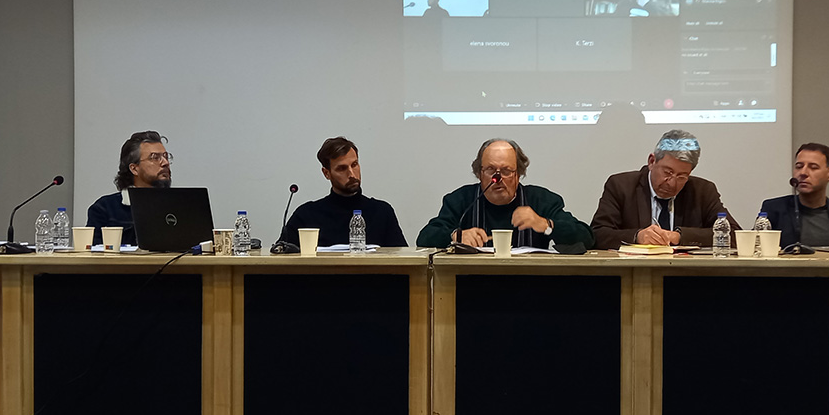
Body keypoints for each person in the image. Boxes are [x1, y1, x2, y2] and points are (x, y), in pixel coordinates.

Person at [416, 139, 593, 250]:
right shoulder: (461, 200)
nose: (497, 178)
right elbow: (424, 238)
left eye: (506, 171)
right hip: (473, 286)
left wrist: (545, 224)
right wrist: (455, 235)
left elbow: (586, 238)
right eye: (490, 170)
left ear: (519, 174)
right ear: (479, 173)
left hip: (532, 287)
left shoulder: (541, 200)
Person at [590, 129, 737, 249]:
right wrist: (637, 236)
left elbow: (735, 234)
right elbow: (598, 234)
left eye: (682, 176)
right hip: (635, 273)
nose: (672, 183)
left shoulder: (703, 191)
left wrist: (679, 236)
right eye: (667, 173)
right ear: (652, 161)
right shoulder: (621, 185)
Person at [278, 136, 407, 247]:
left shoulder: (381, 212)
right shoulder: (306, 215)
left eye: (354, 164)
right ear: (326, 173)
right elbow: (281, 258)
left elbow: (405, 262)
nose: (351, 174)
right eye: (342, 168)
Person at [86, 130, 172, 246]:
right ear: (134, 169)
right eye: (155, 158)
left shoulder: (181, 206)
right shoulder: (104, 209)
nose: (165, 163)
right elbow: (91, 256)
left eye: (166, 157)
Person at [760, 143, 829, 248]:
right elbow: (757, 248)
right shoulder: (774, 208)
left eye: (813, 167)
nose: (803, 173)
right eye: (799, 167)